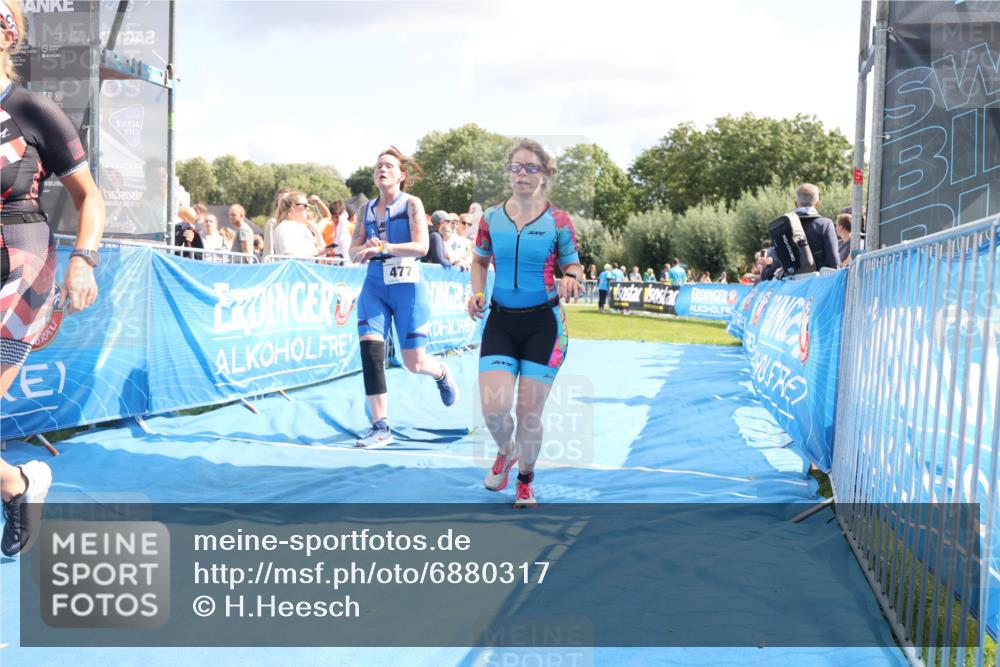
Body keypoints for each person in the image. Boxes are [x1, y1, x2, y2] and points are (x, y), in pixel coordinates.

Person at [1, 0, 105, 556]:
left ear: (5, 36)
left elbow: (90, 197)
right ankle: (17, 484)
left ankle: (18, 486)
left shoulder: (31, 108)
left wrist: (83, 258)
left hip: (22, 262)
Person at [467, 139, 582, 509]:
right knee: (493, 409)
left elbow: (573, 264)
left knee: (528, 414)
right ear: (508, 172)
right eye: (516, 167)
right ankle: (507, 450)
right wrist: (477, 293)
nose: (522, 174)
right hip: (501, 322)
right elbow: (479, 261)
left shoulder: (558, 220)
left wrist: (571, 277)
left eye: (531, 167)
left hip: (544, 327)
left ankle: (525, 481)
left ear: (545, 174)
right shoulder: (491, 218)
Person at [350, 147, 459, 448]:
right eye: (378, 166)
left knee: (414, 362)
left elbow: (422, 247)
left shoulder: (412, 204)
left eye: (388, 165)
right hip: (374, 287)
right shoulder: (365, 210)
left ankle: (441, 373)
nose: (382, 169)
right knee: (371, 352)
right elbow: (352, 248)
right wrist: (362, 250)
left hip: (407, 288)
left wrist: (384, 248)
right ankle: (380, 426)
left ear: (401, 175)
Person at [791, 183, 839, 272]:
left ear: (795, 203)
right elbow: (833, 259)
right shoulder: (825, 224)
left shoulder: (786, 224)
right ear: (817, 204)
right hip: (819, 278)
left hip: (791, 278)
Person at [272, 191, 325, 257]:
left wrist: (317, 232)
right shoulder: (284, 227)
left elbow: (323, 254)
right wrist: (315, 252)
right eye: (305, 205)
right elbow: (289, 256)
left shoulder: (303, 228)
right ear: (293, 207)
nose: (308, 208)